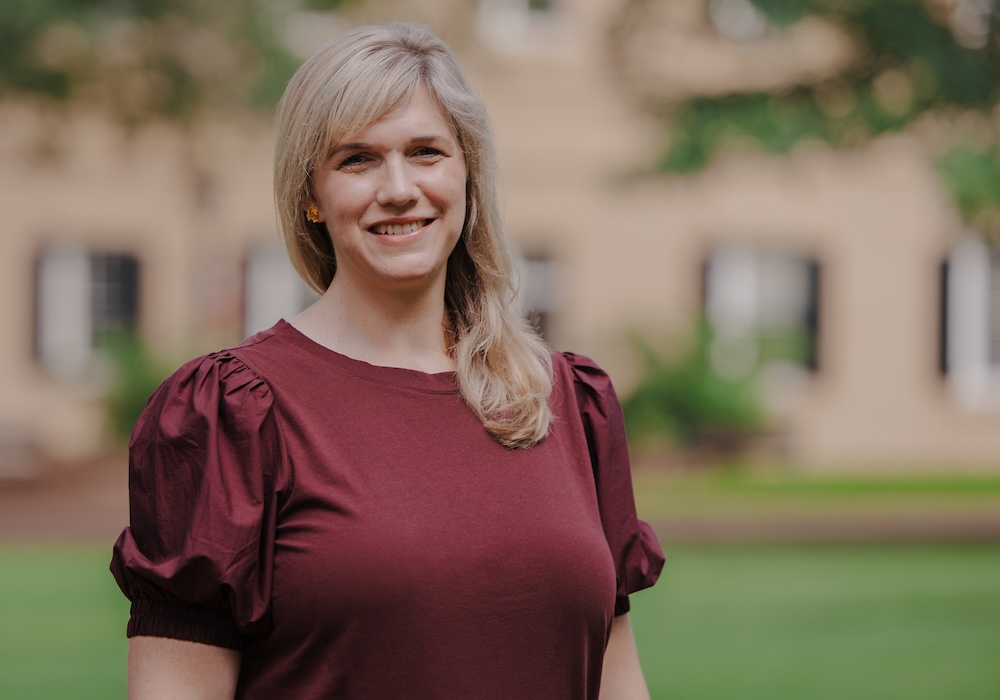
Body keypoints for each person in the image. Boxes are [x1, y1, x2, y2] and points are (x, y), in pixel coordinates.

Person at [110, 21, 663, 699]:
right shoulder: (231, 413)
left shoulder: (570, 404)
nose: (398, 188)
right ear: (310, 195)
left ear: (467, 173)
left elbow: (617, 678)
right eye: (357, 159)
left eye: (426, 152)